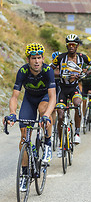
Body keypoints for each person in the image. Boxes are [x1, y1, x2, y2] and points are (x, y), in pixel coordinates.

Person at [3, 43, 56, 191]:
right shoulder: (23, 71)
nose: (37, 61)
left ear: (43, 58)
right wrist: (13, 113)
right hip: (29, 100)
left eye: (39, 58)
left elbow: (53, 97)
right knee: (24, 137)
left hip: (45, 98)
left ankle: (47, 143)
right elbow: (14, 96)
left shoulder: (48, 71)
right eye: (34, 58)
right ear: (28, 59)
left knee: (43, 109)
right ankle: (25, 176)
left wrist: (46, 115)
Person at [49, 34, 91, 157]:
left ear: (77, 46)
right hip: (62, 89)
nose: (71, 47)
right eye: (69, 45)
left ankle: (76, 133)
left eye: (73, 45)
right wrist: (60, 75)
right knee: (60, 115)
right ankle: (61, 145)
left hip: (74, 88)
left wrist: (86, 73)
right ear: (67, 45)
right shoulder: (60, 57)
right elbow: (49, 70)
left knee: (77, 104)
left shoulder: (83, 57)